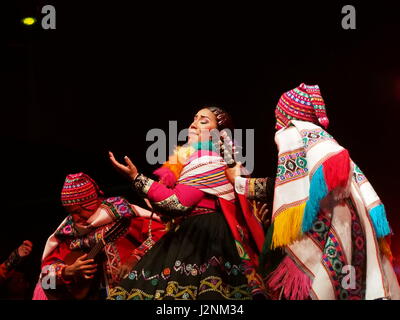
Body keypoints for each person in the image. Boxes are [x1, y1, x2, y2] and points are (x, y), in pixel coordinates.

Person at [226, 83, 400, 300]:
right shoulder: (324, 143)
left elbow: (294, 189)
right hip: (350, 234)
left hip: (330, 232)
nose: (276, 125)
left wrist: (240, 183)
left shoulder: (294, 134)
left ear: (288, 115)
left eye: (278, 116)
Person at [107, 106, 267, 300]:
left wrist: (136, 178)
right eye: (194, 118)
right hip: (194, 231)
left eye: (203, 120)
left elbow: (176, 203)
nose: (193, 124)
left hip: (205, 235)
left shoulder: (207, 159)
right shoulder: (217, 161)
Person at [32, 172, 166, 300]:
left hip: (134, 290)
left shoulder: (123, 215)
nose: (74, 218)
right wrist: (68, 271)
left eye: (78, 211)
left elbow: (162, 233)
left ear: (90, 202)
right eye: (70, 212)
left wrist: (135, 258)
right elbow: (45, 272)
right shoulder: (68, 233)